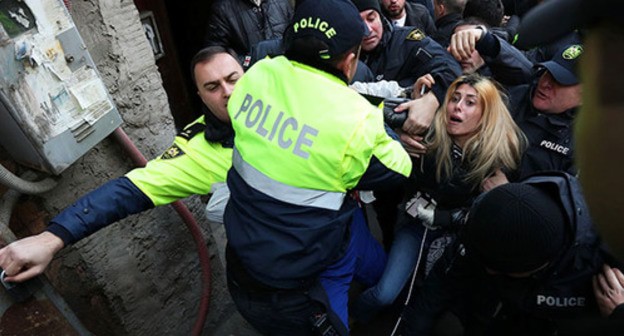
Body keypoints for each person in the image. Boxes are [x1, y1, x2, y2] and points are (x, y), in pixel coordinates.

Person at [223, 0, 413, 335]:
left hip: (243, 266)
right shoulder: (356, 117)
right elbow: (399, 166)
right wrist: (377, 113)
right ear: (351, 60)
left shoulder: (257, 75)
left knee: (373, 263)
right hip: (303, 284)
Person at [0, 46, 241, 284]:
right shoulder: (196, 150)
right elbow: (126, 192)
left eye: (233, 79)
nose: (228, 92)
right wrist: (51, 238)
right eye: (212, 87)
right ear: (200, 94)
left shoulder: (278, 100)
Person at [352, 74, 527, 322]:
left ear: (487, 113)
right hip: (415, 226)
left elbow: (492, 214)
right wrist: (397, 136)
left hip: (459, 238)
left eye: (470, 102)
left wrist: (444, 217)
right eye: (454, 99)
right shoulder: (428, 135)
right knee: (385, 294)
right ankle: (347, 324)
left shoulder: (500, 157)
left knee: (433, 301)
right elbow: (368, 110)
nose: (457, 106)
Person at [402, 172, 622, 335]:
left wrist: (617, 318)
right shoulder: (495, 215)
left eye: (496, 268)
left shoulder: (611, 258)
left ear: (541, 265)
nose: (487, 269)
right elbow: (440, 284)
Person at [448, 18, 533, 86]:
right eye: (458, 44)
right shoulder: (443, 76)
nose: (465, 53)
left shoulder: (501, 80)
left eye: (474, 45)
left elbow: (530, 74)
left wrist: (487, 41)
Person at [203, 0, 293, 64]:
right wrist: (250, 60)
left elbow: (295, 34)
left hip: (287, 73)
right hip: (252, 79)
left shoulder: (282, 1)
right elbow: (216, 55)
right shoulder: (222, 8)